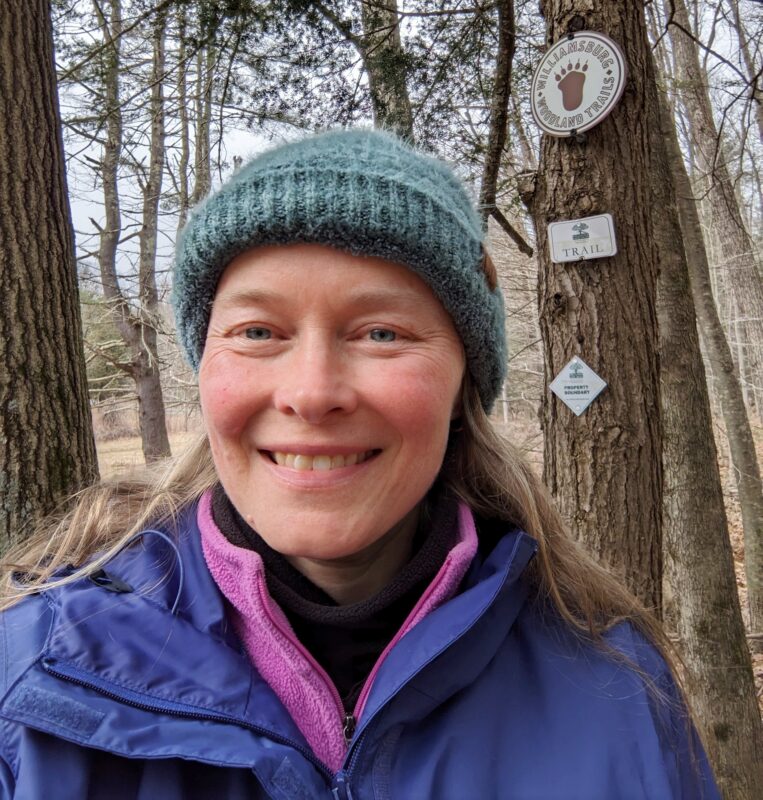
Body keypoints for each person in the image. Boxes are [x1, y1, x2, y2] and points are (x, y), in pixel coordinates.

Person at [0, 129, 719, 800]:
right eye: (257, 331)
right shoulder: (29, 686)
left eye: (381, 332)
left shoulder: (617, 688)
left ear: (462, 387)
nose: (311, 393)